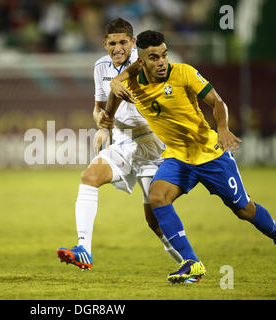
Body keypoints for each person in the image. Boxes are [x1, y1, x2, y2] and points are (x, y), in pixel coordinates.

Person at [100, 30, 276, 283]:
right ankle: (192, 262)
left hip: (209, 154)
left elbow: (217, 103)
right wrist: (108, 114)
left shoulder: (184, 73)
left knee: (244, 210)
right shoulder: (132, 80)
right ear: (141, 61)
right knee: (158, 197)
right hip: (178, 156)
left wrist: (223, 128)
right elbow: (115, 95)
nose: (161, 62)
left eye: (164, 55)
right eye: (153, 57)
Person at [56, 18, 182, 272]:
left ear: (133, 42)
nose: (118, 48)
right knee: (89, 176)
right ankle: (84, 249)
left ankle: (190, 263)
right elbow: (98, 108)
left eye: (123, 42)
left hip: (153, 144)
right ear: (105, 44)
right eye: (112, 43)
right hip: (123, 142)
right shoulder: (100, 67)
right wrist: (102, 125)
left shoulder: (146, 62)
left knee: (154, 221)